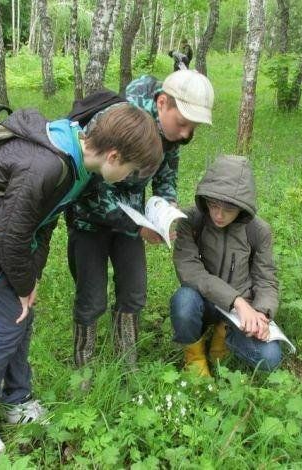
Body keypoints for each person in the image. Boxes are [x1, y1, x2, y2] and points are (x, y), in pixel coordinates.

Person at [0, 105, 163, 455]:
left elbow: (44, 222)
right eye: (131, 170)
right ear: (113, 155)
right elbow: (11, 234)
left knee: (22, 317)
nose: (128, 178)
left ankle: (17, 400)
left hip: (5, 235)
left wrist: (30, 279)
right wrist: (20, 285)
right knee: (7, 323)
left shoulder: (78, 166)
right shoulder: (48, 165)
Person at [66, 69, 214, 372]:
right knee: (91, 296)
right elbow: (90, 189)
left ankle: (127, 363)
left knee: (134, 291)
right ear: (162, 103)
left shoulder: (171, 135)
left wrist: (166, 207)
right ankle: (83, 368)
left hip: (132, 221)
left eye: (193, 128)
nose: (186, 134)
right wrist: (139, 226)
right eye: (183, 123)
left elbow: (166, 174)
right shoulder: (116, 122)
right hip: (89, 223)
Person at [170, 155, 282, 377]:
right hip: (205, 300)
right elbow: (191, 271)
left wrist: (260, 314)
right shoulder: (190, 220)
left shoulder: (258, 231)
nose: (218, 215)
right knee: (183, 301)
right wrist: (235, 301)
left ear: (242, 208)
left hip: (243, 311)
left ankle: (224, 334)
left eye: (228, 210)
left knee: (270, 359)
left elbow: (266, 279)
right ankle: (195, 357)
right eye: (213, 206)